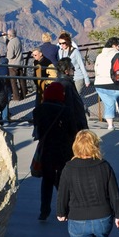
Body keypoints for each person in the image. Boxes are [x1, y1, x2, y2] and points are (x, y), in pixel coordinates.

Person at [35, 81, 76, 221]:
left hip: (47, 149)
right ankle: (67, 209)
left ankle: (44, 211)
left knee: (47, 180)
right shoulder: (66, 110)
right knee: (62, 180)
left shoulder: (39, 110)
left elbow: (38, 133)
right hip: (63, 149)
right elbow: (73, 131)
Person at [94, 37, 119, 130]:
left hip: (99, 83)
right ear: (114, 45)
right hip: (113, 83)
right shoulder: (118, 54)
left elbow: (95, 69)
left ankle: (110, 125)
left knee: (108, 104)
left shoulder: (99, 56)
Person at [5, 28, 25, 99]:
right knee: (21, 80)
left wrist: (6, 55)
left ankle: (16, 97)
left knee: (13, 82)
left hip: (13, 64)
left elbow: (10, 55)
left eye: (7, 34)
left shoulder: (11, 43)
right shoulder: (18, 39)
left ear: (10, 35)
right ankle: (24, 94)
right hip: (20, 62)